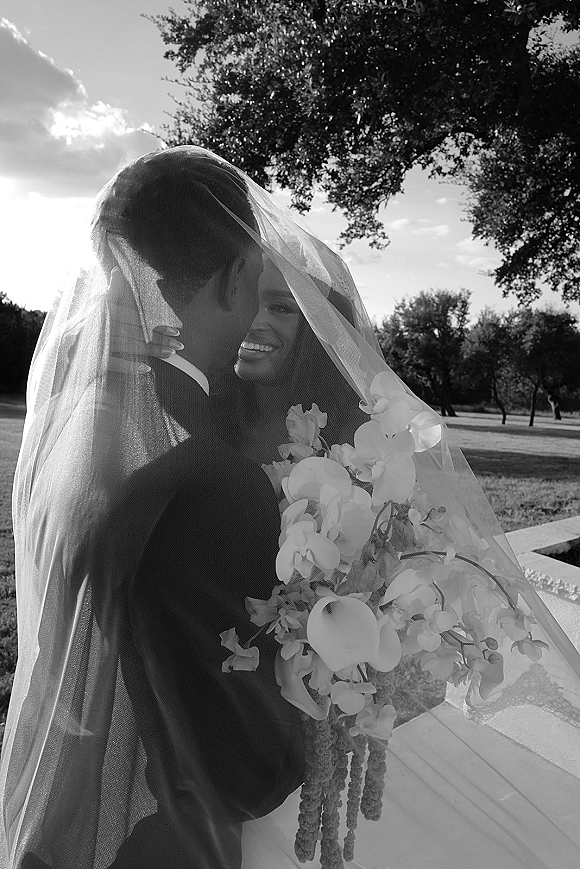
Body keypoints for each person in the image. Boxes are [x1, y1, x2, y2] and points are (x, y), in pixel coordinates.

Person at [2, 145, 580, 869]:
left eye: (291, 306)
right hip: (182, 827)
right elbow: (243, 761)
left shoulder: (90, 415)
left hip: (100, 798)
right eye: (262, 285)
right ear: (238, 270)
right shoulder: (201, 467)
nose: (266, 316)